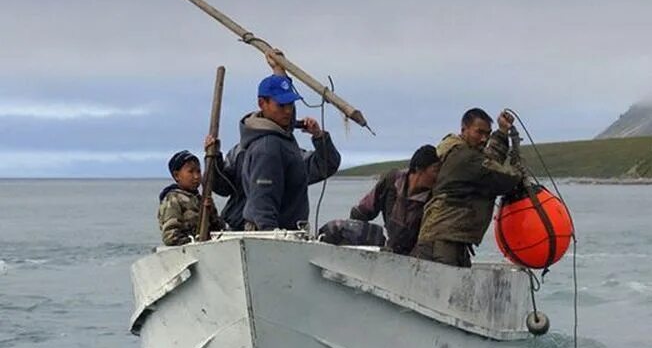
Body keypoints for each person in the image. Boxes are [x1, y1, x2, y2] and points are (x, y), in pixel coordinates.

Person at [236, 51, 342, 231]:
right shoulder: (268, 148)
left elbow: (327, 165)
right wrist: (271, 239)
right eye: (281, 105)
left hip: (289, 234)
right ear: (262, 104)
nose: (287, 111)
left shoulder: (284, 140)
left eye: (291, 104)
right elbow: (263, 203)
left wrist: (318, 137)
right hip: (271, 236)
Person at [412, 108, 525, 267]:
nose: (483, 139)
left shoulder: (460, 151)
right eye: (479, 132)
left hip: (445, 238)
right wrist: (519, 170)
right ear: (464, 129)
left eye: (487, 134)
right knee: (446, 288)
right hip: (443, 243)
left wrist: (502, 131)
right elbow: (502, 178)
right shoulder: (463, 157)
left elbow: (489, 160)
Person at [348, 144, 441, 254]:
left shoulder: (433, 201)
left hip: (413, 260)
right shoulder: (391, 181)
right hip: (388, 253)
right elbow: (363, 211)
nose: (438, 176)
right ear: (419, 168)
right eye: (435, 170)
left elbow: (427, 243)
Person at [157, 148, 222, 246]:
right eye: (190, 172)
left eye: (198, 171)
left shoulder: (201, 199)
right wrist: (193, 242)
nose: (196, 176)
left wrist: (210, 210)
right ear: (176, 175)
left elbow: (217, 229)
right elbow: (170, 237)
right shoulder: (173, 199)